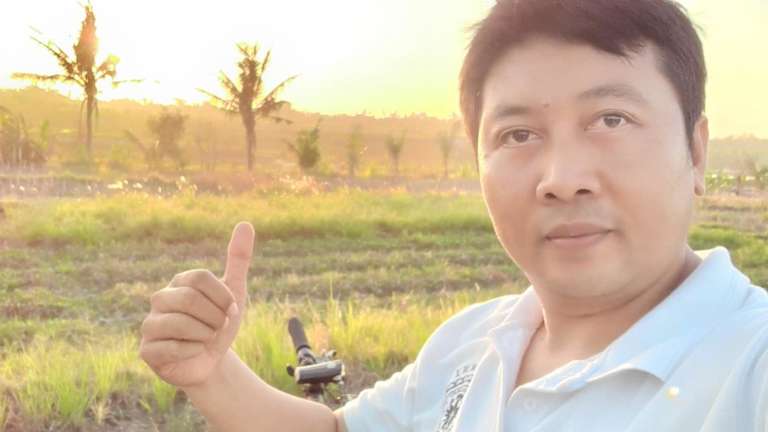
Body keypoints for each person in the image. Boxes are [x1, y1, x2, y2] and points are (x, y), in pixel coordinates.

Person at [139, 0, 768, 430]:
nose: (561, 179)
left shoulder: (749, 366)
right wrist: (213, 374)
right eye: (518, 134)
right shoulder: (472, 341)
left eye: (611, 119)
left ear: (696, 151)